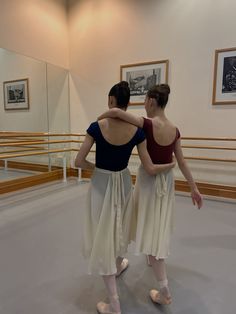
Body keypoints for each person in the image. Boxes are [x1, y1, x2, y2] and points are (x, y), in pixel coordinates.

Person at [98, 83, 203, 305]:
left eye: (145, 100)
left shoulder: (146, 123)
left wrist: (102, 117)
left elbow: (117, 112)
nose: (144, 105)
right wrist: (194, 187)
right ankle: (126, 262)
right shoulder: (174, 129)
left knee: (133, 223)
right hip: (166, 183)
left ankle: (164, 291)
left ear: (152, 102)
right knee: (153, 225)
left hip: (148, 184)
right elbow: (181, 161)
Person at [75, 81, 175, 314]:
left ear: (110, 101)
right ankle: (119, 265)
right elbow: (149, 165)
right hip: (123, 182)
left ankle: (114, 303)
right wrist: (170, 165)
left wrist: (95, 169)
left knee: (102, 236)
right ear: (128, 104)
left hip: (101, 183)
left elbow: (78, 162)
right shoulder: (137, 132)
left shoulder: (96, 127)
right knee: (119, 227)